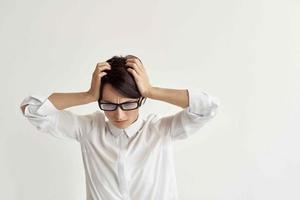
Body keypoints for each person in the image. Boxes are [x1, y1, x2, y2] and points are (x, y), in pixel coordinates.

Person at [20, 55, 220, 200]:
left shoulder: (160, 130)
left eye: (127, 104)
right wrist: (88, 95)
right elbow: (31, 108)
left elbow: (208, 107)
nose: (119, 114)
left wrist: (151, 90)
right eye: (108, 104)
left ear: (140, 99)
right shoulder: (89, 129)